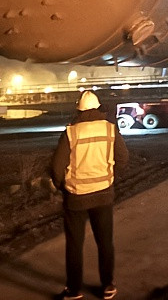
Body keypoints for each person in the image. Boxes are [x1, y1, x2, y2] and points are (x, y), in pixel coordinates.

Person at [50, 90, 129, 300]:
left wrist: (61, 186)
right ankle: (108, 286)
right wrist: (109, 176)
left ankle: (74, 290)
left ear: (79, 109)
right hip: (103, 194)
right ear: (98, 108)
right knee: (105, 241)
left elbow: (57, 167)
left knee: (75, 244)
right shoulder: (110, 129)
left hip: (76, 196)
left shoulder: (71, 132)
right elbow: (122, 158)